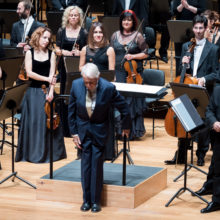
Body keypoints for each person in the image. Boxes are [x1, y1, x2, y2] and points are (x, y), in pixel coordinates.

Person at [68, 63, 131, 212]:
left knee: (96, 165)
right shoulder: (76, 85)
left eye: (91, 82)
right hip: (83, 131)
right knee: (85, 166)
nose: (88, 85)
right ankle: (86, 200)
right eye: (86, 82)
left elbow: (124, 107)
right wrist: (74, 133)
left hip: (99, 130)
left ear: (98, 78)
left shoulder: (108, 88)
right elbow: (71, 110)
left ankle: (96, 201)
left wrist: (126, 126)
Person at [165, 15, 219, 166]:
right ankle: (180, 155)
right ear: (193, 28)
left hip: (202, 89)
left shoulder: (213, 49)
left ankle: (200, 154)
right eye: (196, 28)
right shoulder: (186, 46)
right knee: (183, 118)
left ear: (206, 28)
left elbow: (216, 73)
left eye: (201, 28)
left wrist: (204, 79)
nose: (198, 31)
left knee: (202, 122)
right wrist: (184, 64)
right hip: (187, 86)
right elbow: (184, 70)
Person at [15, 27, 66, 163]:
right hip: (33, 92)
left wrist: (50, 92)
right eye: (44, 37)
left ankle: (49, 154)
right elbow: (30, 73)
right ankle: (32, 154)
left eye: (48, 38)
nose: (46, 40)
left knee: (46, 123)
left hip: (47, 91)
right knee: (34, 123)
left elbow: (52, 75)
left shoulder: (52, 54)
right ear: (37, 37)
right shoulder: (29, 53)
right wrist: (47, 79)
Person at [110, 9, 148, 140]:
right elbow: (111, 52)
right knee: (119, 100)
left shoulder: (138, 36)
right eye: (124, 20)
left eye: (129, 20)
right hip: (118, 71)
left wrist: (133, 56)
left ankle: (130, 132)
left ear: (133, 22)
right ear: (121, 21)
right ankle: (118, 131)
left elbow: (146, 53)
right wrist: (112, 72)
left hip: (133, 73)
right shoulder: (115, 35)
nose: (126, 22)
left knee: (131, 101)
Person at [56, 5, 87, 137]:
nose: (73, 17)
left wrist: (79, 52)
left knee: (78, 95)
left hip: (78, 67)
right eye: (71, 15)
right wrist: (65, 52)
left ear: (79, 17)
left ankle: (78, 127)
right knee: (65, 94)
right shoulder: (61, 31)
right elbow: (57, 49)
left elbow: (88, 50)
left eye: (75, 15)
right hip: (64, 67)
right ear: (67, 17)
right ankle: (66, 128)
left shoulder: (84, 32)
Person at [195, 85, 220, 213]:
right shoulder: (217, 90)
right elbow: (209, 110)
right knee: (217, 169)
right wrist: (214, 122)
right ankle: (217, 201)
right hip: (218, 135)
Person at [173, 0, 206, 76]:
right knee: (178, 57)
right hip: (179, 28)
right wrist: (182, 5)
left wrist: (188, 7)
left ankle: (192, 77)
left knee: (193, 56)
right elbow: (174, 12)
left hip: (195, 28)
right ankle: (178, 78)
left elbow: (202, 11)